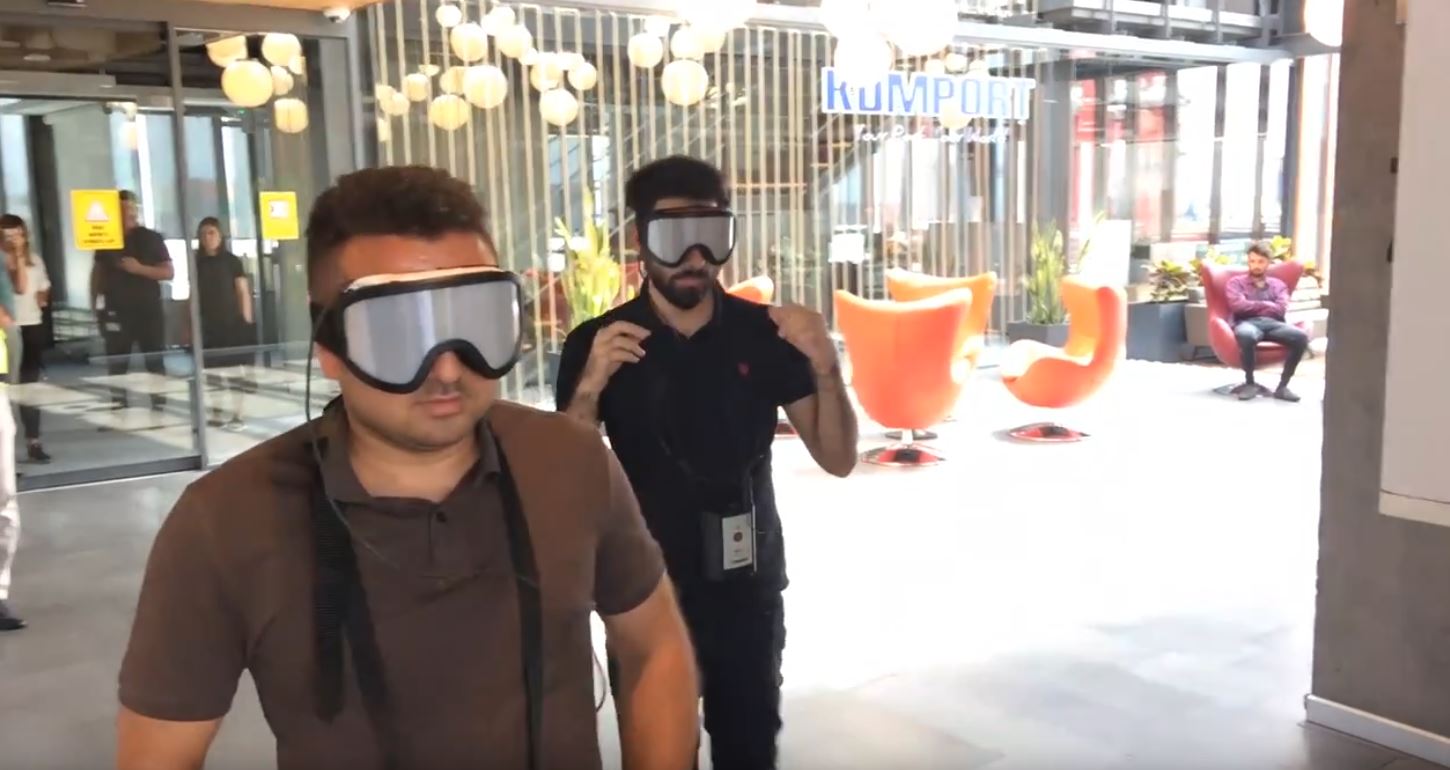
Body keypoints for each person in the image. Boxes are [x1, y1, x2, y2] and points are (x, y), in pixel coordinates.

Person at [117, 166, 699, 770]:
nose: (447, 369)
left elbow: (654, 645)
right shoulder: (226, 519)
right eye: (398, 332)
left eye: (473, 322)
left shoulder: (571, 461)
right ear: (329, 346)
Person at [554, 155, 859, 770]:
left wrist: (827, 368)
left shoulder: (766, 334)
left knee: (749, 750)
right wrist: (588, 389)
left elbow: (838, 458)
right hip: (642, 593)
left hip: (747, 586)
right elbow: (568, 485)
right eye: (674, 235)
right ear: (639, 239)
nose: (695, 256)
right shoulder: (600, 342)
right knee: (660, 755)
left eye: (711, 234)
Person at [91, 190, 173, 413]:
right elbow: (97, 275)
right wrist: (95, 307)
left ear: (136, 210)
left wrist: (139, 269)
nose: (125, 212)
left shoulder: (151, 238)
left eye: (129, 208)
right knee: (117, 365)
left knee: (154, 362)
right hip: (115, 312)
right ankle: (119, 408)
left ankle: (159, 408)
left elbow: (168, 272)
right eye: (120, 208)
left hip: (148, 313)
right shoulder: (106, 239)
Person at [190, 217, 253, 429]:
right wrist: (188, 325)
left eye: (211, 233)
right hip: (208, 326)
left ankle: (238, 415)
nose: (207, 238)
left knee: (235, 372)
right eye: (203, 234)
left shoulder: (232, 261)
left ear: (220, 235)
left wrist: (246, 321)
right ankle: (216, 413)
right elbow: (192, 295)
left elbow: (243, 292)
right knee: (212, 374)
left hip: (232, 324)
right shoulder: (197, 262)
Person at [1226, 242, 1309, 402]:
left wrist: (1252, 305)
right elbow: (1238, 306)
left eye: (1260, 261)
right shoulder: (1236, 283)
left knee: (1301, 337)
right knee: (1246, 336)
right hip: (1247, 322)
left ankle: (1283, 387)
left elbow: (1281, 309)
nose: (1256, 265)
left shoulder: (1278, 285)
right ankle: (1250, 383)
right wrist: (1267, 305)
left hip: (1273, 324)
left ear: (1268, 263)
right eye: (1252, 261)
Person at [1, 214, 52, 462]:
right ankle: (6, 450)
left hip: (32, 324)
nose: (13, 239)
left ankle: (33, 440)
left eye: (17, 234)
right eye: (7, 235)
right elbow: (19, 286)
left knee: (29, 386)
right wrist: (17, 257)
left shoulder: (36, 260)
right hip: (8, 328)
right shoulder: (3, 261)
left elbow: (43, 286)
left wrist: (42, 298)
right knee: (7, 387)